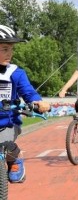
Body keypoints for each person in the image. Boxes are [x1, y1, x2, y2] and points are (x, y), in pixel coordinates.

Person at [0, 25, 50, 183]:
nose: (10, 53)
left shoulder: (15, 73)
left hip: (7, 123)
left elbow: (28, 93)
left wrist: (37, 102)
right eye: (5, 49)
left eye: (11, 49)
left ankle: (15, 158)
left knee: (4, 144)